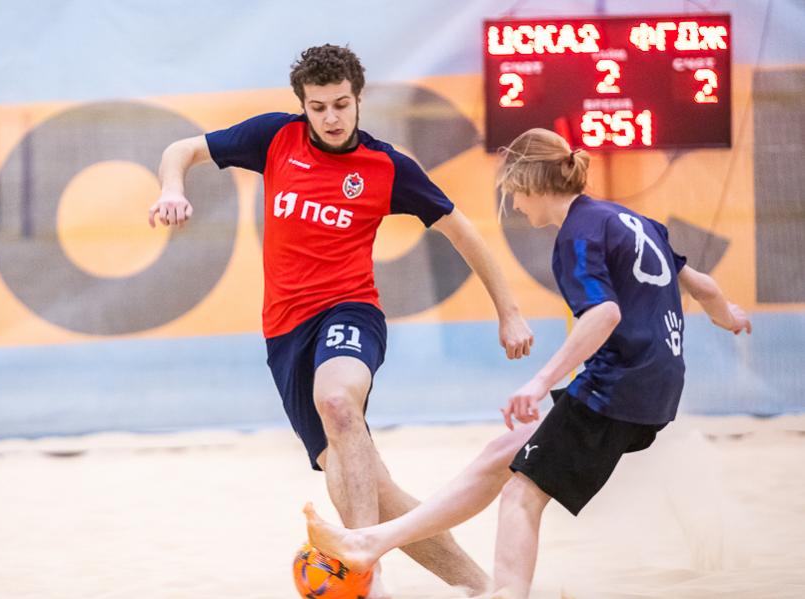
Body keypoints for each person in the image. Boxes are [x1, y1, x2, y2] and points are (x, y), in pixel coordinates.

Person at [148, 44, 534, 598]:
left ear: (358, 100)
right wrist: (171, 187)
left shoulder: (387, 166)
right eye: (318, 107)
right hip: (285, 331)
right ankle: (481, 587)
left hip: (350, 310)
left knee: (336, 400)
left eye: (341, 105)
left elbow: (461, 230)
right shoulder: (275, 137)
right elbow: (181, 149)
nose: (330, 118)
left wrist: (509, 313)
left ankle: (364, 575)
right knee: (371, 485)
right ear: (303, 105)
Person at [304, 127, 753, 598]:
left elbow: (604, 314)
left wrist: (539, 382)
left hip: (619, 389)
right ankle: (370, 542)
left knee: (521, 493)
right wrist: (729, 315)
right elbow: (702, 285)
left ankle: (508, 592)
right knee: (501, 455)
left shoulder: (577, 236)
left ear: (531, 183)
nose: (515, 205)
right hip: (656, 383)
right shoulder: (629, 219)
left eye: (514, 193)